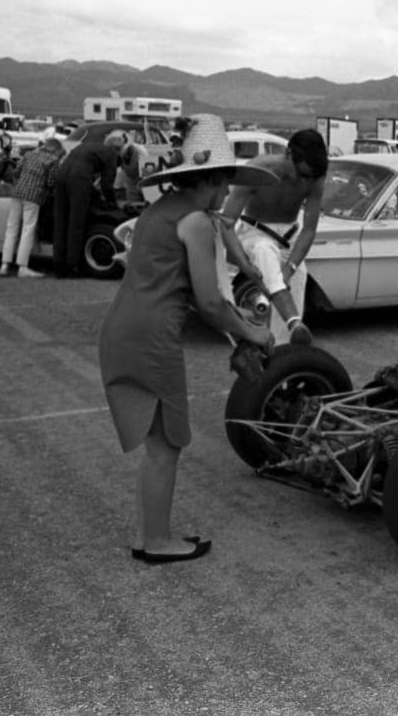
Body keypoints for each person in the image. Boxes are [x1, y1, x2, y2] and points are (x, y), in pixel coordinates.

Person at [98, 113, 275, 564]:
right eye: (227, 183)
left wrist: (232, 326)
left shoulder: (160, 210)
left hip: (124, 328)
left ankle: (148, 534)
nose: (227, 193)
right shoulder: (196, 222)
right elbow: (211, 302)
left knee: (157, 441)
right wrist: (253, 331)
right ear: (213, 181)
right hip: (152, 336)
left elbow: (192, 296)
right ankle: (156, 543)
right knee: (167, 442)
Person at [216, 128, 328, 345]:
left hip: (291, 239)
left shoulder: (315, 177)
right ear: (288, 154)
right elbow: (227, 223)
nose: (304, 182)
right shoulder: (257, 170)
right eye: (301, 173)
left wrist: (291, 268)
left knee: (287, 329)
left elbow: (309, 230)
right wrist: (244, 265)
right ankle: (293, 320)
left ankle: (283, 360)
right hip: (254, 232)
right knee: (263, 249)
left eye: (310, 177)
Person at [52, 132, 121, 277]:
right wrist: (113, 204)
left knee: (61, 221)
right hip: (79, 178)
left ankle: (58, 264)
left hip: (61, 175)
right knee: (76, 222)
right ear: (117, 148)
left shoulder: (88, 146)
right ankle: (72, 265)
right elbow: (107, 184)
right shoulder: (111, 153)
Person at [0, 137, 65, 278]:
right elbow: (51, 182)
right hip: (34, 196)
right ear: (56, 149)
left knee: (11, 228)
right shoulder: (53, 160)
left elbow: (16, 173)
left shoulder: (29, 154)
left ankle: (4, 265)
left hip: (17, 193)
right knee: (27, 230)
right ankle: (22, 267)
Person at [111, 130, 150, 205]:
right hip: (130, 183)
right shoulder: (117, 153)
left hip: (142, 182)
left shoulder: (140, 152)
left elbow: (146, 174)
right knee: (132, 206)